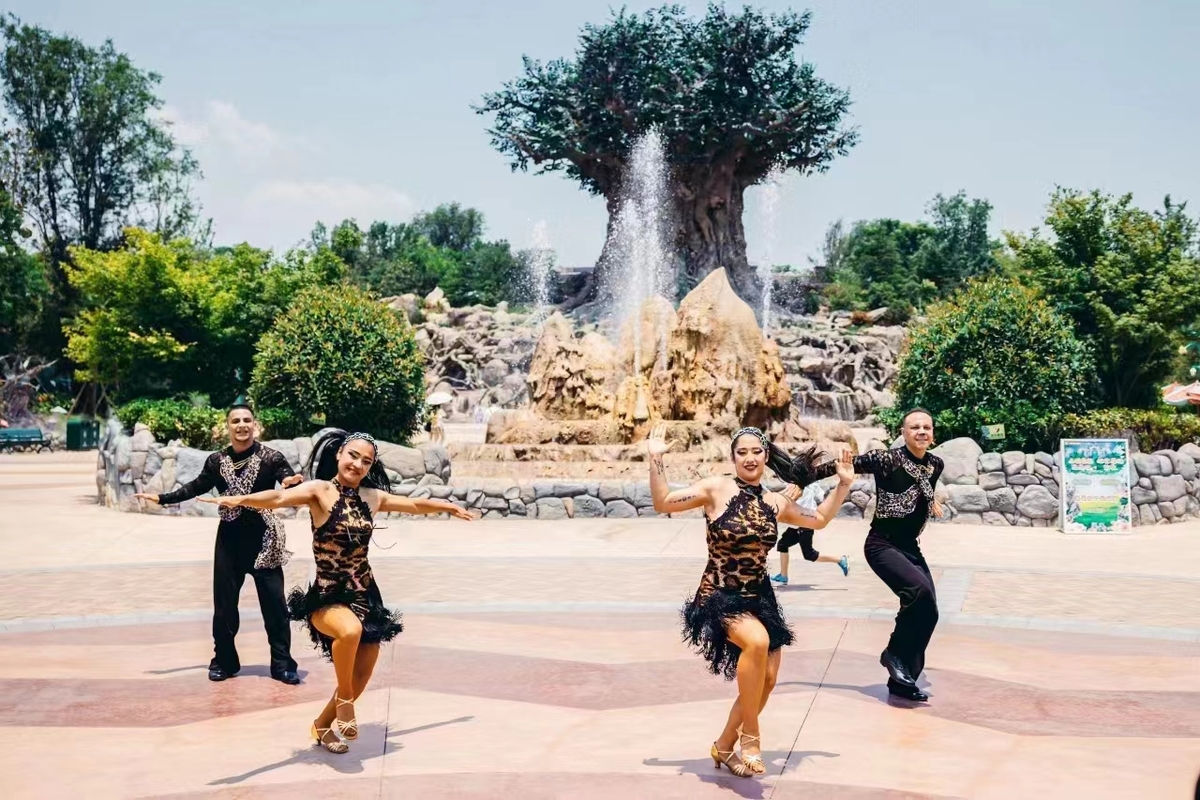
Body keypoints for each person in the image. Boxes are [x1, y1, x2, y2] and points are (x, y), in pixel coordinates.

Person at [201, 429, 474, 754]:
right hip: (328, 597)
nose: (357, 464)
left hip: (366, 596)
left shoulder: (372, 497)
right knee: (349, 632)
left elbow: (414, 504)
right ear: (339, 454)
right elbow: (278, 498)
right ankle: (345, 699)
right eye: (353, 456)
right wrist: (242, 499)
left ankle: (322, 725)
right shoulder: (319, 491)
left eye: (366, 461)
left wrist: (446, 506)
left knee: (362, 673)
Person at [646, 423, 854, 779]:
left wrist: (844, 484)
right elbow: (662, 501)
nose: (749, 458)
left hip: (760, 598)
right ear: (733, 457)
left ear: (766, 456)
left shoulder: (775, 502)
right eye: (742, 452)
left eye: (756, 451)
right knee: (756, 641)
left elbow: (819, 519)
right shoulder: (715, 488)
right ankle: (751, 739)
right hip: (719, 595)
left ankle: (724, 745)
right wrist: (655, 459)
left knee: (767, 680)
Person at [135, 404, 303, 684]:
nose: (242, 425)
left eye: (247, 420)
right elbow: (196, 486)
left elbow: (287, 477)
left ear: (255, 425)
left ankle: (282, 664)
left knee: (275, 605)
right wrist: (163, 498)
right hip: (229, 541)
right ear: (228, 426)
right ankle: (224, 661)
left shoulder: (271, 457)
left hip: (264, 540)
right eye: (235, 421)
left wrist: (290, 482)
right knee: (224, 606)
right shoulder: (216, 461)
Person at [811, 409, 945, 702]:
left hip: (910, 547)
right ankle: (894, 654)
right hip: (882, 545)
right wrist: (802, 477)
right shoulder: (887, 459)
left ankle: (903, 681)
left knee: (929, 610)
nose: (921, 432)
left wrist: (931, 501)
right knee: (919, 593)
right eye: (914, 427)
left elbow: (921, 483)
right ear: (903, 432)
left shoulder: (936, 464)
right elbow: (842, 465)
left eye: (926, 427)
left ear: (933, 433)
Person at [771, 482, 850, 585]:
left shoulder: (798, 487)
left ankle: (840, 560)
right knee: (782, 544)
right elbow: (820, 496)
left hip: (804, 524)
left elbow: (789, 500)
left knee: (809, 554)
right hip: (799, 524)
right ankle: (783, 576)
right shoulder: (809, 484)